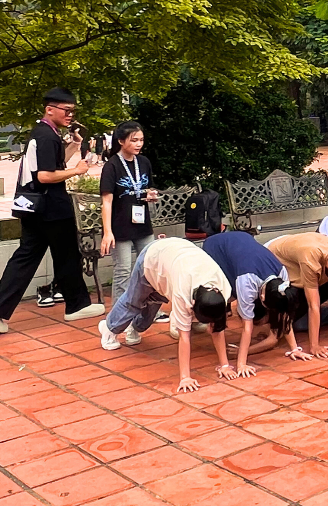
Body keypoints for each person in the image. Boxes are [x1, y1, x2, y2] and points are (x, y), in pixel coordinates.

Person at [0, 88, 104, 334]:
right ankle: (76, 305)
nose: (70, 116)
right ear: (50, 109)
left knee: (24, 259)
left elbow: (50, 165)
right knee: (68, 256)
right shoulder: (48, 136)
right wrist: (77, 171)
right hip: (53, 208)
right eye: (66, 110)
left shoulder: (42, 134)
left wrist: (73, 147)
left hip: (32, 207)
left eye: (73, 111)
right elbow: (46, 175)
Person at [97, 237, 234, 392]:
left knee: (154, 302)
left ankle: (135, 327)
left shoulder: (223, 289)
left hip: (172, 262)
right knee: (133, 301)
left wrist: (225, 365)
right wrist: (185, 377)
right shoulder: (183, 292)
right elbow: (184, 337)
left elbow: (218, 328)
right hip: (153, 257)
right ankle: (108, 329)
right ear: (193, 304)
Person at [202, 229, 303, 376]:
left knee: (233, 291)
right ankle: (193, 317)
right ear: (261, 298)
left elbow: (284, 311)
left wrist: (295, 348)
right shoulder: (246, 281)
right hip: (215, 247)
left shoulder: (282, 275)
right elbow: (246, 327)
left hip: (242, 239)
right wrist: (241, 363)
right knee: (222, 294)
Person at [99, 122, 157, 303]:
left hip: (142, 223)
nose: (139, 144)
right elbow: (106, 201)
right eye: (134, 140)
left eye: (141, 140)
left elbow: (147, 187)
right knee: (123, 270)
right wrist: (108, 232)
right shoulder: (112, 166)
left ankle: (149, 310)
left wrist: (151, 194)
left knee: (150, 266)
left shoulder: (144, 162)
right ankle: (119, 314)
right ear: (121, 141)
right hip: (120, 226)